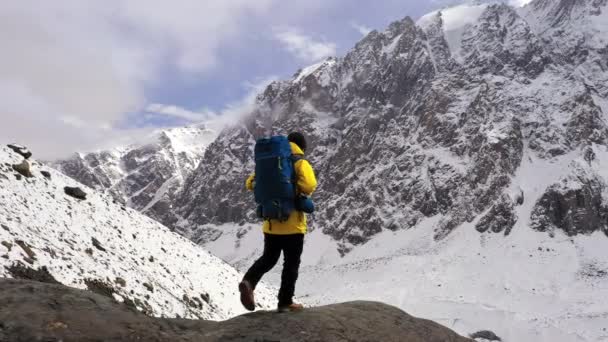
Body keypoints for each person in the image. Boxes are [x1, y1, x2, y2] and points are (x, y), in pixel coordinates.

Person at [239, 132, 317, 312]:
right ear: (302, 146)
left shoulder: (272, 160)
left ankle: (249, 281)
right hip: (293, 225)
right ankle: (285, 302)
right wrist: (295, 188)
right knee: (291, 264)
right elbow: (310, 185)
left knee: (268, 258)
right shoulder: (300, 162)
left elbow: (250, 183)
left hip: (271, 224)